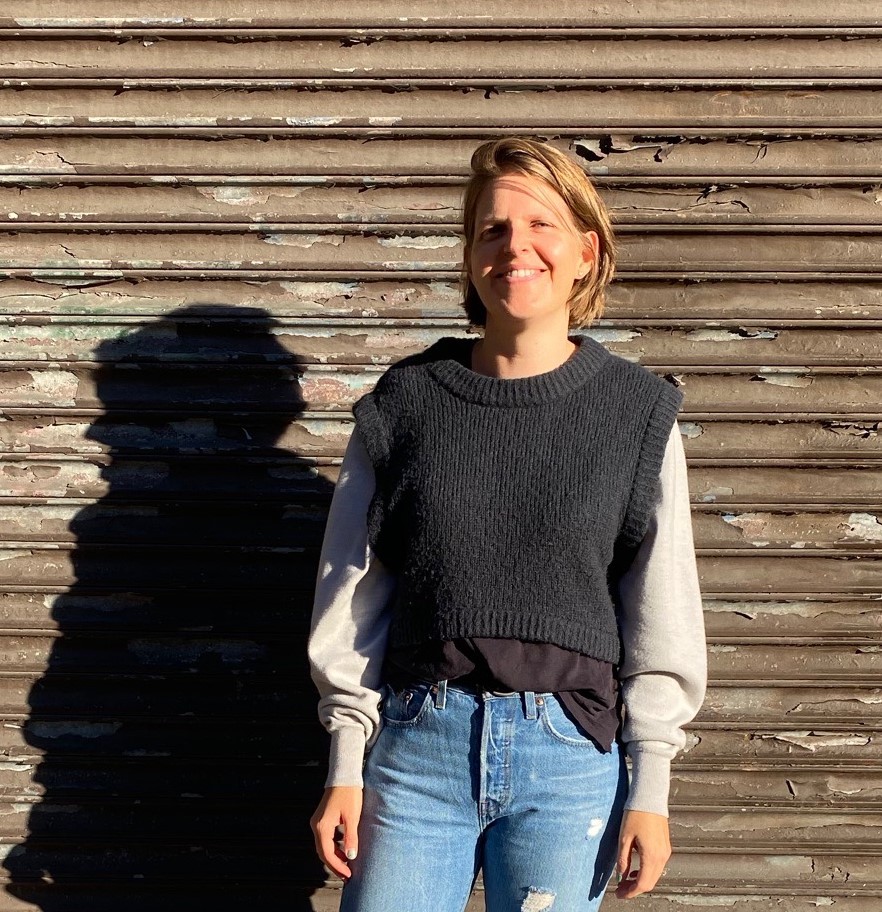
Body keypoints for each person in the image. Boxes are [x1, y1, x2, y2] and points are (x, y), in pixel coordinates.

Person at [308, 137, 707, 912]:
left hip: (568, 761)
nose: (515, 247)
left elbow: (662, 614)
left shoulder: (636, 414)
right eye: (492, 230)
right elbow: (353, 602)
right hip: (416, 752)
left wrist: (650, 786)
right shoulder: (404, 407)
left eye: (541, 226)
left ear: (587, 252)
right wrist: (344, 766)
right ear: (469, 256)